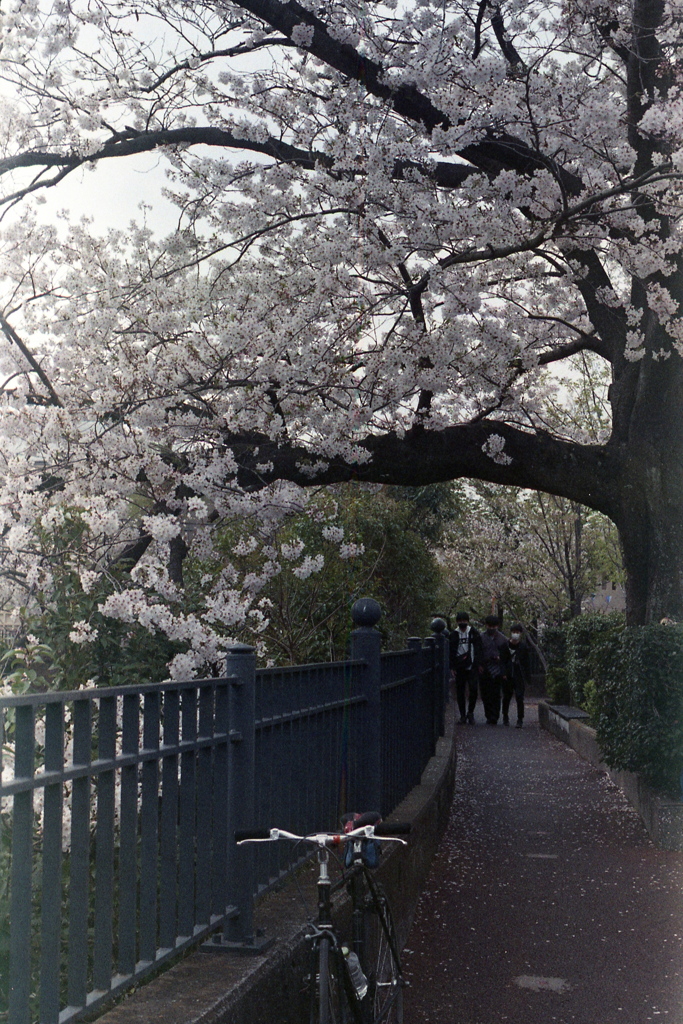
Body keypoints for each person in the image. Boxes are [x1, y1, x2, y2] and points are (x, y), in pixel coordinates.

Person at [449, 611, 483, 725]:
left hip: (472, 666)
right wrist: (452, 667)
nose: (462, 623)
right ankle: (462, 715)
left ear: (468, 621)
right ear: (457, 622)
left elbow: (479, 649)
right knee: (460, 691)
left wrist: (478, 664)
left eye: (464, 621)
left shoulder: (473, 633)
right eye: (460, 621)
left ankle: (470, 712)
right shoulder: (453, 634)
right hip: (460, 667)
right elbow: (451, 652)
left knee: (473, 689)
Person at [479, 614, 510, 725]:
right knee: (485, 694)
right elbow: (477, 653)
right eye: (489, 626)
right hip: (484, 668)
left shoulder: (503, 639)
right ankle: (488, 715)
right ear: (486, 625)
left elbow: (506, 655)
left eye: (494, 626)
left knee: (496, 694)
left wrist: (499, 659)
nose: (491, 628)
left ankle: (495, 716)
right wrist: (479, 665)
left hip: (497, 669)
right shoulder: (481, 637)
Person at [502, 623, 530, 727]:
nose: (515, 634)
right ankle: (505, 716)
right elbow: (503, 661)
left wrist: (527, 677)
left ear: (521, 634)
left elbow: (527, 662)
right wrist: (503, 673)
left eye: (517, 632)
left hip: (519, 674)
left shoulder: (523, 647)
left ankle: (520, 719)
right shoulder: (505, 646)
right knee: (506, 697)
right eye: (514, 632)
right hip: (508, 674)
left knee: (519, 697)